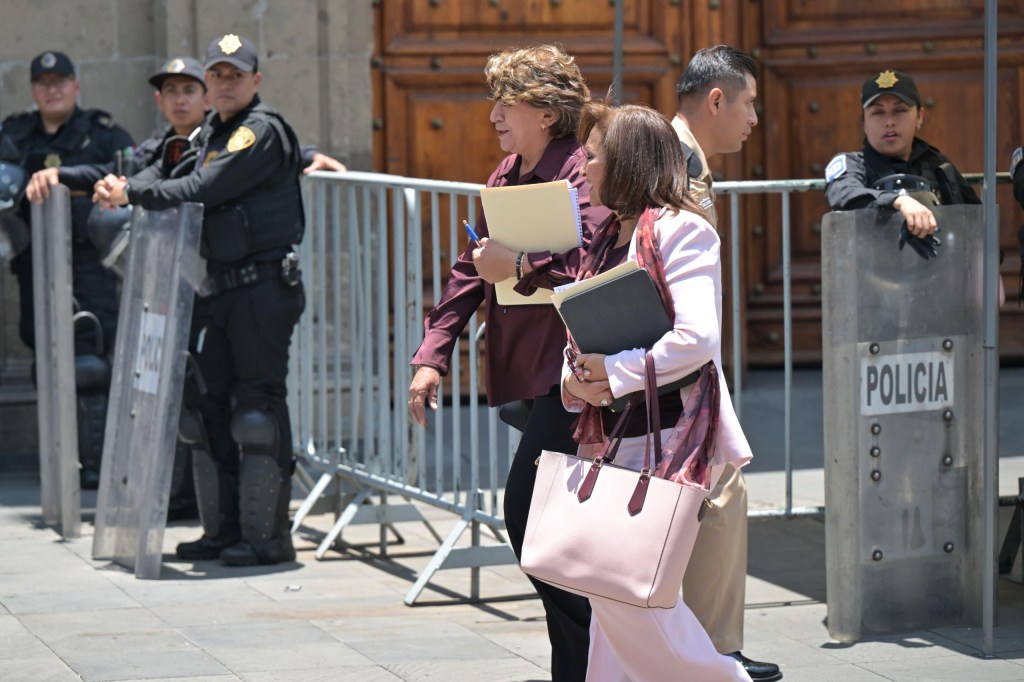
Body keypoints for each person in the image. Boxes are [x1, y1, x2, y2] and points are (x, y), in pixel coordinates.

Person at [407, 44, 610, 681]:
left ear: (546, 112)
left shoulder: (583, 171)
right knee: (558, 540)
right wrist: (432, 356)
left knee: (529, 520)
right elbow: (471, 269)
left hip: (578, 381)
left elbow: (593, 267)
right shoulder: (505, 172)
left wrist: (519, 267)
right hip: (528, 375)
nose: (494, 114)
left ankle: (605, 661)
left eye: (507, 101)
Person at [94, 33, 306, 567]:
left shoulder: (258, 132)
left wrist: (133, 195)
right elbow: (164, 171)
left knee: (257, 414)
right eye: (217, 74)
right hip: (215, 291)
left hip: (262, 290)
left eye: (235, 75)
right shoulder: (208, 131)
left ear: (255, 81)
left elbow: (203, 187)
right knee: (207, 410)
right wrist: (121, 184)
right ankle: (224, 531)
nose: (225, 83)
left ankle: (267, 538)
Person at [562, 101, 752, 681]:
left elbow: (698, 338)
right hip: (619, 439)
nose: (582, 168)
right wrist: (576, 380)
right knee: (612, 604)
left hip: (671, 440)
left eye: (592, 156)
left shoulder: (681, 228)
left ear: (625, 162)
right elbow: (581, 332)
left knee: (631, 601)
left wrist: (613, 373)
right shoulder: (607, 237)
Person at [672, 46, 781, 682]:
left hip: (680, 368)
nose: (755, 118)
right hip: (673, 371)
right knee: (714, 494)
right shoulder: (672, 160)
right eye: (749, 102)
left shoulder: (682, 157)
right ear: (718, 99)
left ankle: (707, 649)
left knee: (716, 497)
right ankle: (711, 655)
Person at [2, 50, 134, 488]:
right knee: (46, 359)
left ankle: (95, 465)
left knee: (91, 364)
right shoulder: (13, 134)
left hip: (89, 265)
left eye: (61, 81)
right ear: (33, 90)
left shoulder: (103, 134)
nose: (52, 89)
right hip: (34, 264)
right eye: (43, 83)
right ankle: (59, 460)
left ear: (76, 87)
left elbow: (131, 176)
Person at [824, 70, 980, 245]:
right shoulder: (853, 164)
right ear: (864, 123)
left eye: (899, 110)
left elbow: (976, 224)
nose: (889, 121)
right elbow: (845, 194)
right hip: (871, 269)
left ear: (919, 116)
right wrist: (899, 201)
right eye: (878, 113)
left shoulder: (938, 164)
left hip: (938, 269)